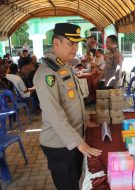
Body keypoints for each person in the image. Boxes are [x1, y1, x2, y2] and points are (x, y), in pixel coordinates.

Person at [33, 23, 102, 190]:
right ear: (56, 43)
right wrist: (79, 143)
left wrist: (86, 122)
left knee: (74, 181)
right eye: (70, 43)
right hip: (60, 144)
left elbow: (75, 100)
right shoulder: (46, 74)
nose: (75, 48)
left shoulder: (64, 65)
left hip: (73, 139)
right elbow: (54, 114)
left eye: (77, 43)